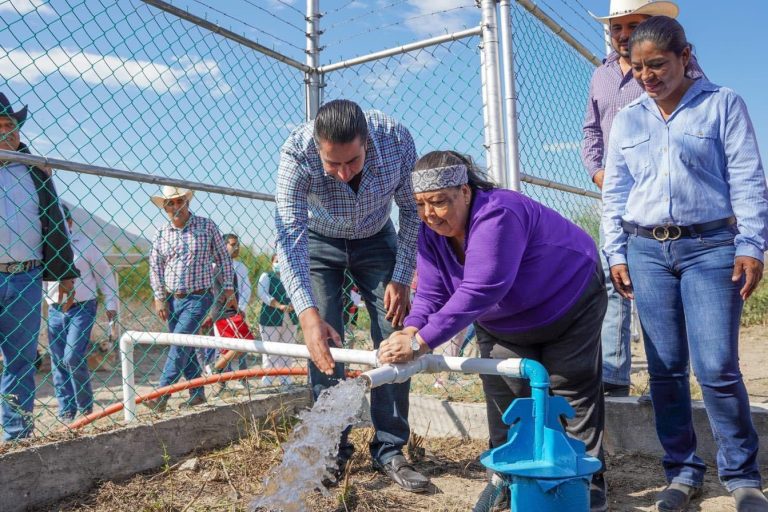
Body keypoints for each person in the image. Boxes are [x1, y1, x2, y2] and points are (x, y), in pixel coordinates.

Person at [378, 150, 608, 512]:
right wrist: (409, 329)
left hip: (568, 299)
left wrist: (421, 343)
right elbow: (433, 293)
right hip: (504, 323)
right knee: (506, 399)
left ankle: (583, 480)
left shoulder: (498, 212)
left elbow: (483, 287)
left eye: (439, 202)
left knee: (569, 389)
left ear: (465, 192)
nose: (429, 214)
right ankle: (505, 480)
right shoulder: (430, 232)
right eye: (421, 204)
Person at [602, 16, 768, 512]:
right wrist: (615, 252)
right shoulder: (629, 119)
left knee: (716, 365)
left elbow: (747, 179)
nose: (648, 76)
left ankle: (741, 475)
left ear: (684, 55)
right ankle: (682, 471)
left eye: (657, 64)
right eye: (638, 68)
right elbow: (615, 194)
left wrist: (752, 244)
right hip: (646, 251)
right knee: (666, 369)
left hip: (711, 247)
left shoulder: (723, 105)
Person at [275, 99, 427, 491]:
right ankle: (332, 449)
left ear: (367, 143)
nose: (343, 174)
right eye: (332, 164)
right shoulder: (296, 151)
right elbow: (289, 235)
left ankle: (390, 448)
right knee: (323, 340)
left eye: (353, 162)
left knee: (395, 332)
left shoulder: (395, 139)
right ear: (318, 148)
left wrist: (401, 274)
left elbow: (411, 211)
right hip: (320, 241)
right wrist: (308, 316)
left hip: (377, 239)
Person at [583, 0, 704, 397]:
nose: (622, 34)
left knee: (670, 290)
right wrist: (600, 172)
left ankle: (667, 379)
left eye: (631, 25)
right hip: (618, 194)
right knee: (615, 277)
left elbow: (697, 113)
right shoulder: (600, 75)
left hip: (665, 196)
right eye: (617, 27)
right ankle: (615, 374)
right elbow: (591, 132)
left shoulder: (678, 66)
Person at [0, 92, 78, 441]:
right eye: (0, 126)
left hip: (27, 276)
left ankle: (17, 435)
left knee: (21, 360)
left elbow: (54, 221)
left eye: (11, 126)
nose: (8, 133)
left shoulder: (35, 170)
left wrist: (63, 272)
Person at [145, 186, 233, 412]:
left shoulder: (206, 226)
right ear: (164, 208)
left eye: (179, 201)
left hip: (199, 297)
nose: (175, 206)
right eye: (170, 203)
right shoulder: (162, 233)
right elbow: (155, 266)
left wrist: (228, 289)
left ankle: (161, 394)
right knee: (187, 344)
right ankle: (197, 393)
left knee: (179, 343)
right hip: (174, 300)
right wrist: (159, 297)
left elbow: (223, 258)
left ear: (187, 202)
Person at [45, 204, 118, 422]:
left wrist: (111, 304)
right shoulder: (44, 246)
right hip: (55, 308)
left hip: (82, 307)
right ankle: (66, 410)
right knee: (58, 360)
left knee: (72, 357)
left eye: (61, 222)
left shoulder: (86, 245)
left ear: (69, 223)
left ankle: (85, 408)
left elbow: (105, 275)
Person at [256, 254, 297, 387]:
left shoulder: (292, 276)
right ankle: (268, 379)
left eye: (283, 261)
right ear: (272, 262)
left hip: (290, 318)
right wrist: (279, 305)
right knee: (270, 349)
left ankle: (286, 378)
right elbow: (262, 294)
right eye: (277, 261)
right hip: (271, 317)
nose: (280, 263)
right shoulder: (267, 276)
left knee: (288, 348)